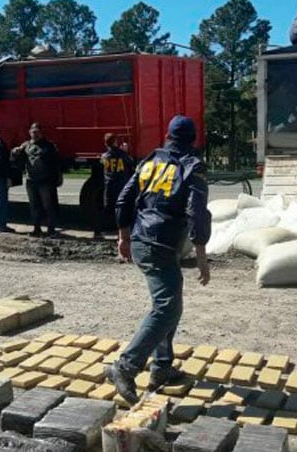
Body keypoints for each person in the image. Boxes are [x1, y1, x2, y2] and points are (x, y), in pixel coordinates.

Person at [106, 115, 212, 405]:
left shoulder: (151, 159)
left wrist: (123, 236)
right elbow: (197, 212)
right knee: (168, 306)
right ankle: (125, 366)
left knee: (167, 304)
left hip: (143, 240)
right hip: (160, 244)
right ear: (193, 138)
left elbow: (124, 198)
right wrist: (201, 255)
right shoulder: (192, 165)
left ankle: (162, 368)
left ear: (168, 135)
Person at [12, 123, 62, 237]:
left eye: (37, 131)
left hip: (45, 181)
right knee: (34, 206)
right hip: (31, 181)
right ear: (29, 132)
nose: (35, 134)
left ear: (41, 132)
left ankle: (51, 230)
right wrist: (14, 152)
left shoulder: (49, 146)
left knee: (48, 206)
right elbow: (16, 158)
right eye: (33, 132)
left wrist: (59, 176)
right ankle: (36, 229)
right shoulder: (25, 145)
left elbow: (56, 162)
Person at [95, 133, 135, 239]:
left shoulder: (104, 156)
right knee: (123, 209)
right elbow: (131, 165)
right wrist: (126, 152)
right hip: (121, 186)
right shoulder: (123, 155)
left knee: (107, 210)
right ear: (115, 142)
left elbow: (101, 163)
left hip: (109, 187)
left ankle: (97, 230)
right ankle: (121, 233)